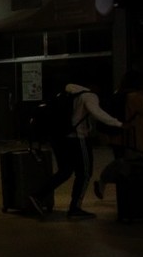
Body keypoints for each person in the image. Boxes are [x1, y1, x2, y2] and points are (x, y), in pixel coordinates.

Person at [40, 82, 124, 219]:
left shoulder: (69, 94)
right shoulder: (89, 96)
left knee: (65, 171)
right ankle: (75, 208)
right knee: (85, 173)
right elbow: (97, 113)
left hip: (61, 138)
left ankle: (38, 196)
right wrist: (118, 123)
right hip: (79, 138)